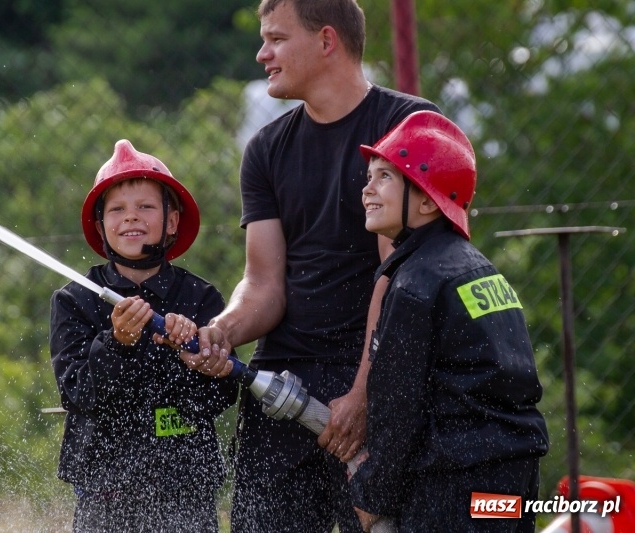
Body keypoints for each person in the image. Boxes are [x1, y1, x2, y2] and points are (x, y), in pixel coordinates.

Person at [189, 0, 441, 531]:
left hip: (377, 386)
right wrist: (222, 331)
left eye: (276, 39)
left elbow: (403, 282)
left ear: (327, 41)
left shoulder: (408, 126)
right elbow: (263, 285)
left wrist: (363, 393)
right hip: (281, 387)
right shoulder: (265, 149)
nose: (262, 55)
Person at [349, 110, 549, 532]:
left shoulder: (415, 283)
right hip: (512, 486)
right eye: (370, 176)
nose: (367, 189)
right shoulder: (481, 270)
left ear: (425, 199)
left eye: (385, 176)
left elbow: (397, 405)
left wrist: (372, 494)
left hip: (454, 489)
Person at [49, 139, 239, 533]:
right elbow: (77, 392)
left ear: (171, 222)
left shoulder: (201, 299)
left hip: (185, 485)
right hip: (105, 487)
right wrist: (117, 342)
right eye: (117, 210)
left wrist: (196, 359)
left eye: (145, 207)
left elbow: (222, 394)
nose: (130, 218)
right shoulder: (74, 300)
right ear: (101, 226)